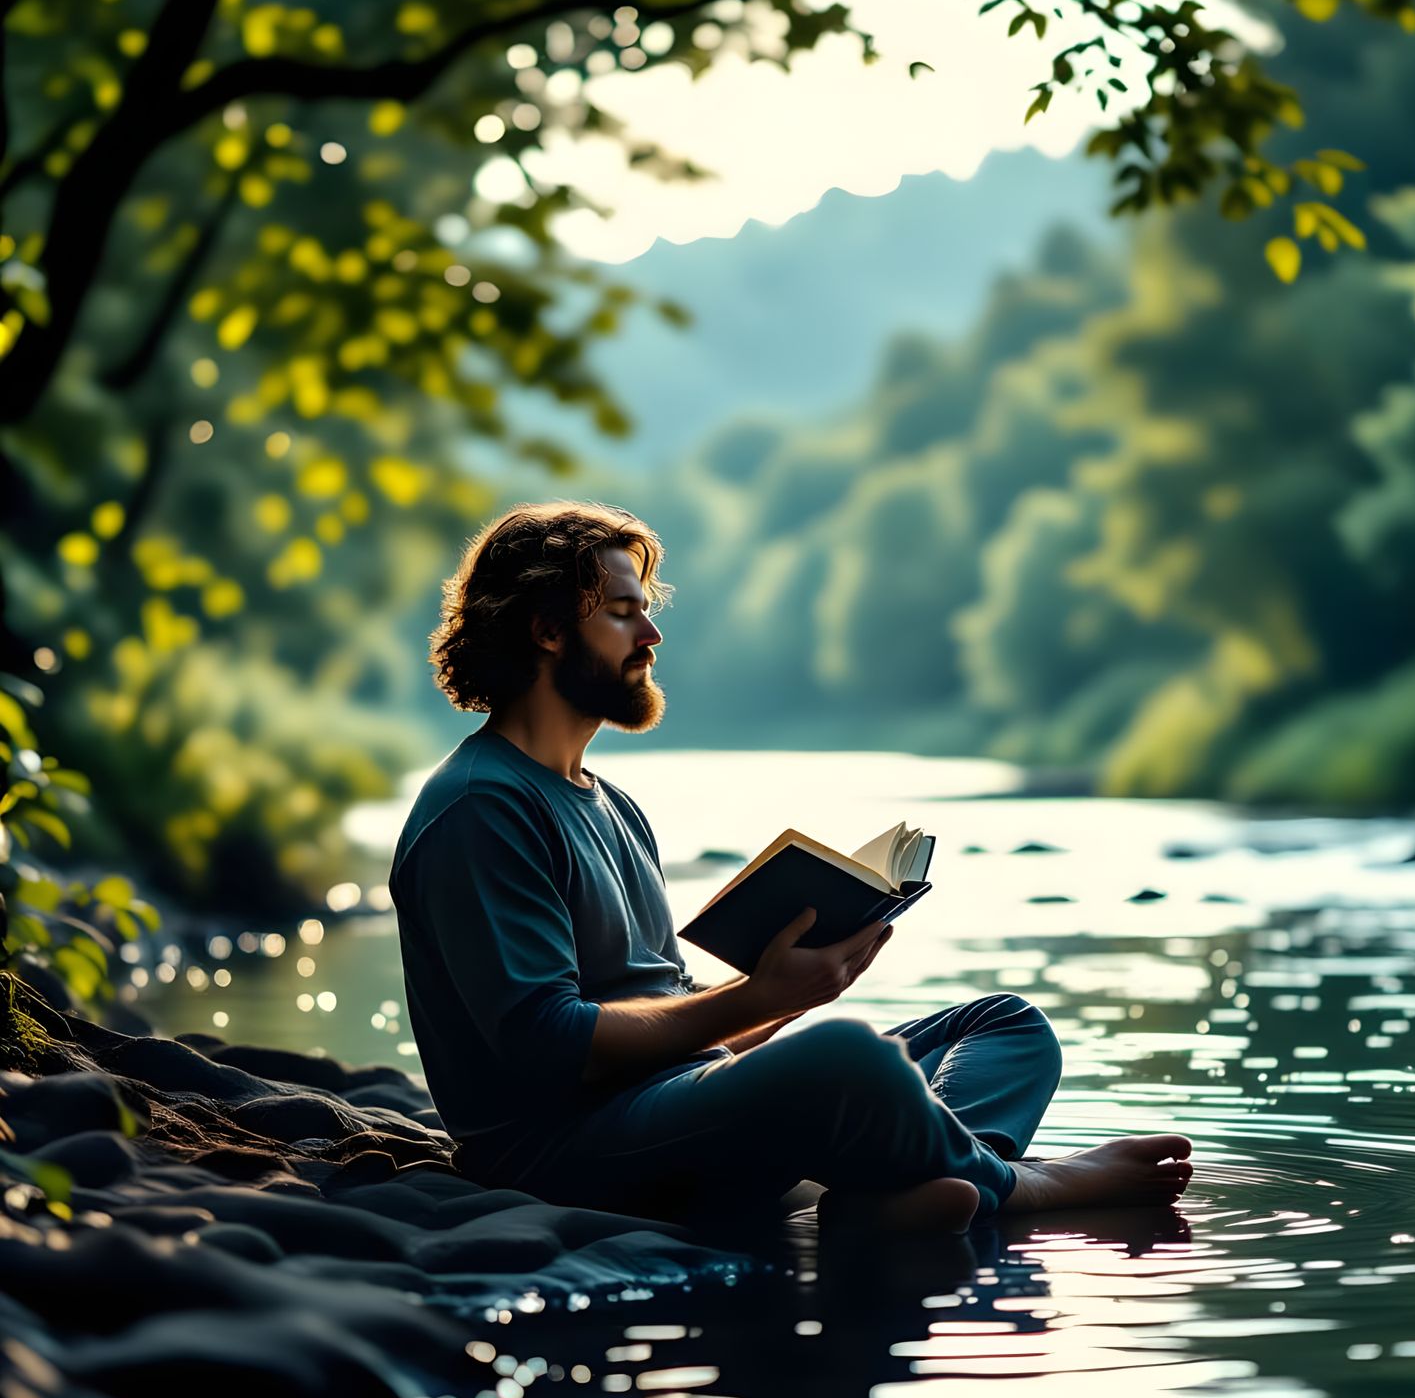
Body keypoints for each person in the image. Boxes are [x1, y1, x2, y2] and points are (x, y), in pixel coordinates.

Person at [389, 501, 1193, 1235]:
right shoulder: (480, 808)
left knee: (1004, 1024)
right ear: (547, 630)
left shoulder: (612, 803)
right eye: (623, 613)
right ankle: (1025, 1186)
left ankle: (913, 1187)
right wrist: (760, 998)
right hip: (569, 1153)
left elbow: (666, 1017)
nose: (651, 636)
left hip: (677, 1104)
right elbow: (548, 1043)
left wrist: (801, 988)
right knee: (845, 1057)